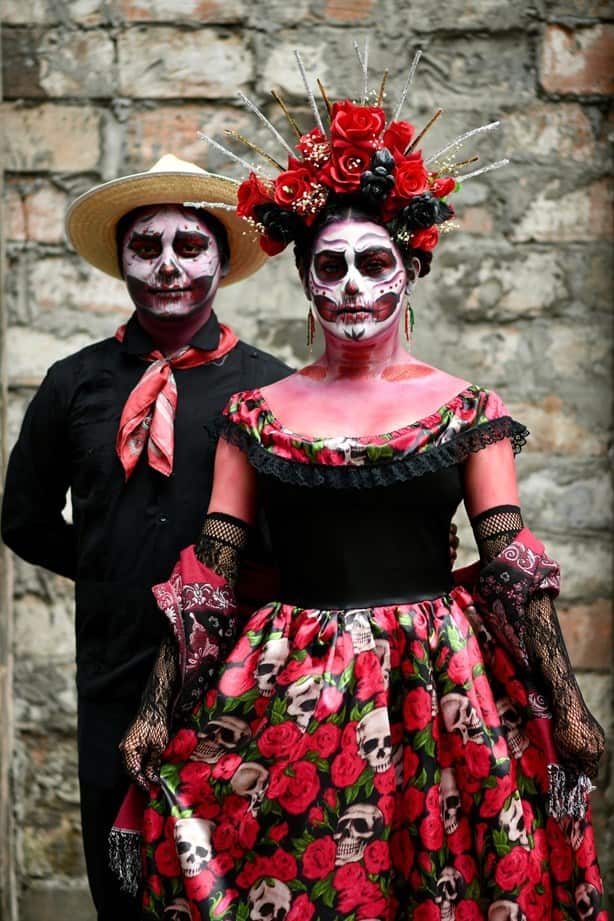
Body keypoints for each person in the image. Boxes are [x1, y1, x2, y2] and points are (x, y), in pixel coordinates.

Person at [121, 86, 606, 917]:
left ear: (409, 269)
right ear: (306, 281)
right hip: (292, 679)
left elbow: (513, 566)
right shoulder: (257, 415)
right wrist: (156, 707)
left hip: (438, 680)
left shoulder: (469, 409)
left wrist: (566, 700)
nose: (351, 286)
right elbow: (212, 568)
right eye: (330, 266)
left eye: (372, 262)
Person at [0, 154, 293, 920]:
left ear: (221, 261)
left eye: (190, 246)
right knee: (120, 878)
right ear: (123, 262)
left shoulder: (270, 390)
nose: (169, 265)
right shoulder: (74, 383)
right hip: (111, 669)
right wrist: (109, 572)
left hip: (234, 676)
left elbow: (296, 541)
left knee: (230, 876)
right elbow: (24, 519)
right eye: (147, 246)